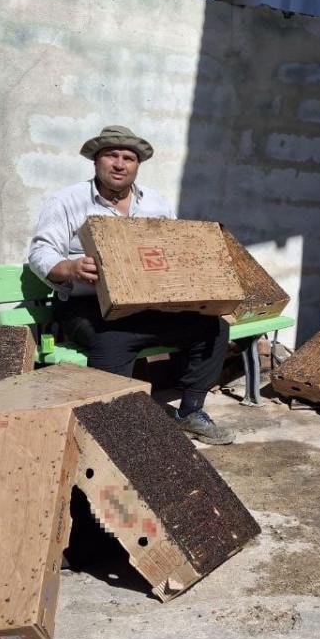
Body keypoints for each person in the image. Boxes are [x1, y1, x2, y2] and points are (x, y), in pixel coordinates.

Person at [27, 125, 235, 445]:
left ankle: (190, 412)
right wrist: (70, 267)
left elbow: (171, 250)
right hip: (87, 306)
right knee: (114, 339)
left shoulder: (156, 203)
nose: (120, 164)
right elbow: (41, 252)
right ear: (96, 161)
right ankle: (111, 428)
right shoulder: (67, 201)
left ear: (137, 165)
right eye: (111, 155)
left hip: (147, 304)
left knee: (213, 327)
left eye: (128, 158)